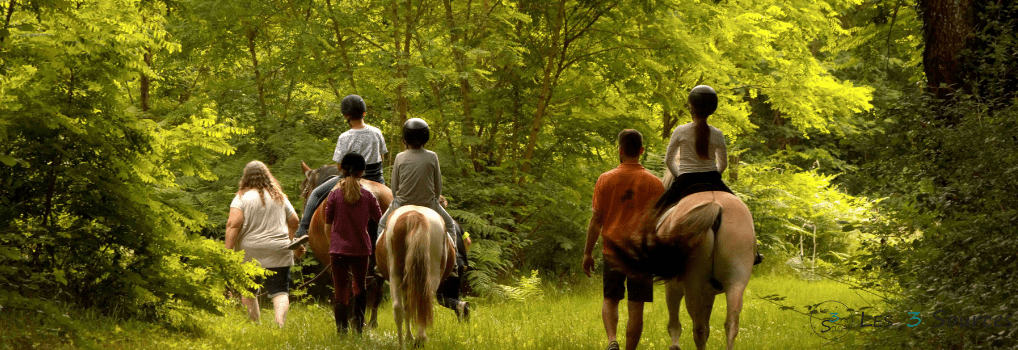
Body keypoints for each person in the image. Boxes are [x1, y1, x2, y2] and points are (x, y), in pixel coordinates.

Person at [651, 85, 762, 265]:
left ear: (691, 107)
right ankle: (755, 252)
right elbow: (723, 164)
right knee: (742, 210)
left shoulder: (680, 131)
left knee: (655, 211)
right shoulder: (717, 134)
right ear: (712, 109)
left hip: (685, 180)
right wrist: (713, 175)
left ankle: (651, 250)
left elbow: (669, 161)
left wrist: (680, 176)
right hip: (712, 178)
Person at [582, 129, 665, 350]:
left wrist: (587, 253)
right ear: (641, 151)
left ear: (620, 150)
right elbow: (660, 223)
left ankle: (612, 341)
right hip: (641, 253)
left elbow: (596, 220)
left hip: (612, 250)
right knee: (636, 306)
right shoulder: (655, 184)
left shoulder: (605, 180)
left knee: (610, 299)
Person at [288, 94, 387, 250]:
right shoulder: (377, 132)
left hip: (352, 177)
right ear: (364, 113)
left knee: (315, 194)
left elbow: (340, 165)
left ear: (346, 116)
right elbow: (381, 157)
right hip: (377, 178)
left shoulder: (345, 137)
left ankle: (302, 232)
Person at [225, 160, 300, 328]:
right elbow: (294, 221)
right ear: (267, 176)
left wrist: (227, 253)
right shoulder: (279, 196)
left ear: (245, 178)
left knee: (248, 290)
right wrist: (290, 239)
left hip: (250, 252)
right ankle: (279, 325)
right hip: (279, 250)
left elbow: (233, 225)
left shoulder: (241, 198)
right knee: (280, 290)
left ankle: (255, 326)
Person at [376, 118, 458, 252]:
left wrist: (399, 199)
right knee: (450, 225)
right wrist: (434, 200)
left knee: (382, 224)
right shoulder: (432, 156)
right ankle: (454, 262)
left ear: (405, 139)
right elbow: (438, 186)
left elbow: (395, 187)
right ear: (426, 137)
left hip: (402, 203)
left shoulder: (399, 157)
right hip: (428, 203)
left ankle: (380, 262)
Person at [323, 153, 382, 334]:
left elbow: (327, 225)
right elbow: (381, 221)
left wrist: (332, 244)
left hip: (338, 250)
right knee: (360, 286)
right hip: (361, 249)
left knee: (340, 289)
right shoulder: (368, 195)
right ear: (362, 171)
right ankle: (358, 329)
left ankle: (341, 331)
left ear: (342, 169)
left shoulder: (333, 195)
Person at [436, 195, 471, 322]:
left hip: (449, 263)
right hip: (461, 263)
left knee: (441, 297)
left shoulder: (438, 223)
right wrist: (463, 255)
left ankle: (458, 306)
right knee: (455, 295)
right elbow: (468, 240)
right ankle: (462, 320)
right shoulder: (456, 224)